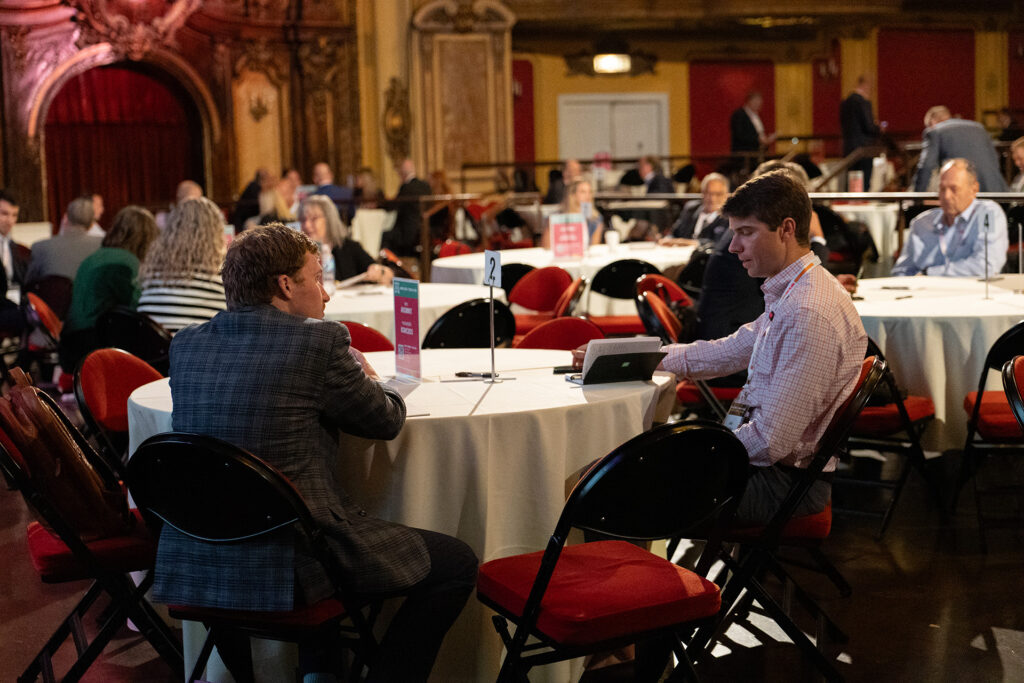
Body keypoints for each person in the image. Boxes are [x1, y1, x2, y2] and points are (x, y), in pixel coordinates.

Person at [152, 223, 477, 682]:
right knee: (457, 563)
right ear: (285, 285)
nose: (326, 296)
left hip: (200, 558)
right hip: (294, 562)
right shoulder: (319, 341)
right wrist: (376, 382)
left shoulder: (186, 345)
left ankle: (318, 670)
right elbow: (385, 421)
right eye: (317, 278)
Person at [664, 169, 866, 523]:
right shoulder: (796, 289)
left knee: (624, 486)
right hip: (764, 468)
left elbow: (770, 442)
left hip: (782, 485)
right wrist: (642, 358)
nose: (732, 246)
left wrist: (699, 451)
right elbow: (728, 350)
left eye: (746, 232)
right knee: (622, 473)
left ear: (786, 229)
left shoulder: (809, 311)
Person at [59, 206, 158, 372]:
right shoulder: (126, 262)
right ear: (147, 237)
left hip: (71, 342)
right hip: (94, 344)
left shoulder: (95, 256)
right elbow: (139, 308)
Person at [893, 158, 1008, 277]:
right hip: (924, 293)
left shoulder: (987, 213)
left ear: (974, 189)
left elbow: (986, 266)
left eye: (954, 189)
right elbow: (901, 271)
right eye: (942, 189)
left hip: (970, 292)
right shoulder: (922, 223)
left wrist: (930, 274)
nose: (947, 196)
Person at [137, 197, 227, 333]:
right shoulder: (221, 282)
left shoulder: (150, 278)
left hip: (151, 353)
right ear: (217, 235)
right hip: (198, 353)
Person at [298, 195, 391, 284]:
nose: (306, 225)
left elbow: (386, 273)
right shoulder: (297, 254)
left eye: (314, 219)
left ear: (329, 219)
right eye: (302, 219)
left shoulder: (349, 247)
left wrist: (380, 272)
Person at [912, 106, 1008, 192]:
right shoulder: (979, 127)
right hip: (996, 190)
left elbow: (927, 166)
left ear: (932, 121)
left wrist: (918, 196)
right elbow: (995, 158)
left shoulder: (934, 131)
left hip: (963, 192)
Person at [25, 196, 102, 287]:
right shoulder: (102, 246)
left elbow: (28, 285)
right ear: (91, 224)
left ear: (66, 218)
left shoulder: (40, 247)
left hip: (51, 300)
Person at [382, 158, 431, 257]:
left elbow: (394, 206)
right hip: (424, 229)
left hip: (407, 232)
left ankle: (391, 265)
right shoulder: (425, 185)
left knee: (384, 236)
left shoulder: (406, 187)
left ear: (402, 174)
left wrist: (380, 204)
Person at [840, 75, 881, 191]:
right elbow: (869, 126)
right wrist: (878, 127)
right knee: (864, 184)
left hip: (849, 147)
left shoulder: (845, 102)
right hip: (864, 148)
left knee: (851, 182)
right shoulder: (863, 102)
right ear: (865, 85)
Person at [540, 178, 605, 248]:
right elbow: (546, 247)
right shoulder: (555, 218)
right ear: (573, 195)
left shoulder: (595, 219)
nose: (588, 195)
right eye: (583, 192)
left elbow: (594, 247)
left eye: (590, 192)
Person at [666, 173, 730, 243]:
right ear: (702, 193)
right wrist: (667, 240)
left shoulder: (729, 218)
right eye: (708, 193)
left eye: (718, 194)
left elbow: (719, 244)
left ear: (726, 196)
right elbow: (674, 233)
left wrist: (690, 243)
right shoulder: (690, 209)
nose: (712, 199)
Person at [0, 190, 30, 335]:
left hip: (16, 301)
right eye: (4, 214)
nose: (10, 221)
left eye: (14, 215)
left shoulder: (18, 249)